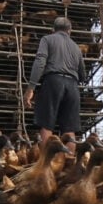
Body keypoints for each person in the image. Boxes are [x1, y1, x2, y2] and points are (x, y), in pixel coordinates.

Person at [24, 17, 86, 154]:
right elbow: (83, 75)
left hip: (53, 81)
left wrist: (31, 88)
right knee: (70, 129)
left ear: (53, 29)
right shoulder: (76, 47)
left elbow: (40, 62)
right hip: (72, 85)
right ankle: (70, 163)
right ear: (70, 31)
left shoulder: (47, 39)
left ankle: (46, 161)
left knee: (47, 125)